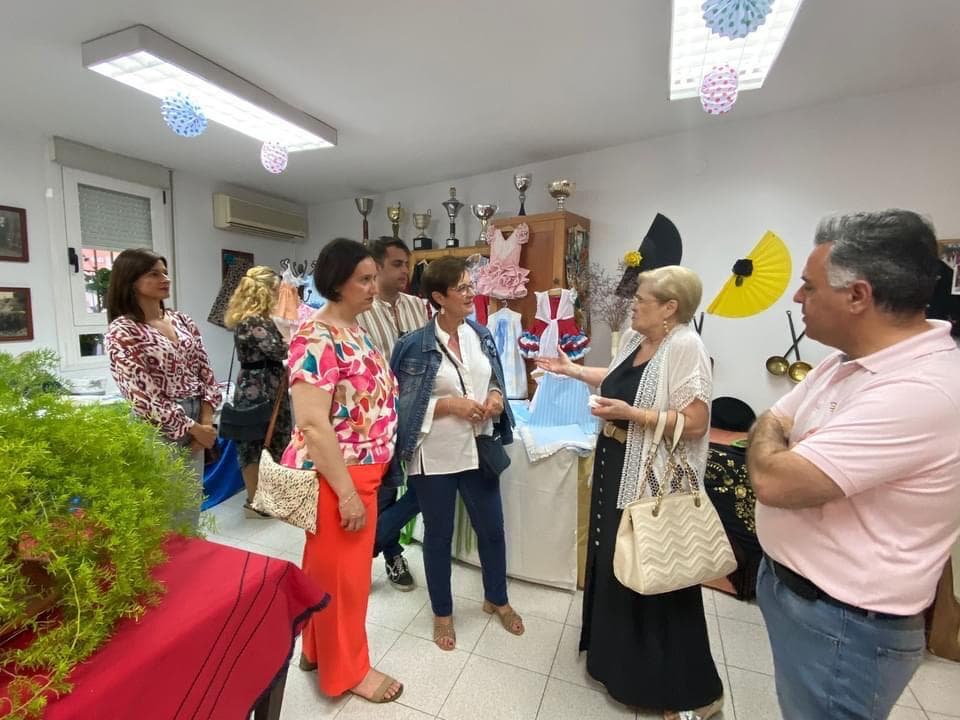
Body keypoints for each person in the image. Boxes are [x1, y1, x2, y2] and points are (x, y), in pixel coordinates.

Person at [747, 209, 960, 720]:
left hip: (847, 625)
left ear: (858, 296)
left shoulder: (920, 390)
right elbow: (769, 419)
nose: (798, 298)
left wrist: (774, 441)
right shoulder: (841, 362)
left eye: (808, 287)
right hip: (798, 594)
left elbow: (771, 480)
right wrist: (774, 435)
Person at [538, 265, 722, 720]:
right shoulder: (641, 342)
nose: (633, 305)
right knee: (613, 557)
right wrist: (572, 370)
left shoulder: (686, 346)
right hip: (615, 462)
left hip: (648, 474)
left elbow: (696, 423)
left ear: (669, 307)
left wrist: (632, 415)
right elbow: (620, 378)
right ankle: (614, 663)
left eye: (641, 299)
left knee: (651, 564)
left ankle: (672, 685)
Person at [280, 238, 403, 704]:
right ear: (336, 283)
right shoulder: (317, 336)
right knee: (345, 583)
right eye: (365, 279)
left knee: (325, 571)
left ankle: (314, 648)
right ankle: (347, 670)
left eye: (375, 278)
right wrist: (347, 493)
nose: (375, 287)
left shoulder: (354, 329)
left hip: (362, 474)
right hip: (340, 479)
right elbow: (312, 423)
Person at [389, 256, 522, 651]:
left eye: (471, 285)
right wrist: (448, 406)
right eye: (462, 288)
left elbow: (494, 377)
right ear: (437, 297)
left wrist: (495, 397)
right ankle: (442, 613)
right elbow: (398, 406)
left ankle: (496, 598)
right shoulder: (412, 346)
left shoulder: (480, 334)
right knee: (438, 535)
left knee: (493, 530)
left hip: (478, 448)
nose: (471, 293)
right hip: (435, 455)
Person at [105, 248, 220, 526]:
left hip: (196, 416)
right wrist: (193, 428)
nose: (164, 278)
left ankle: (189, 560)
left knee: (190, 503)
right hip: (156, 425)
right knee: (165, 507)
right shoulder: (124, 331)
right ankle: (166, 566)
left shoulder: (182, 321)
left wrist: (205, 424)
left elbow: (205, 371)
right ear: (131, 281)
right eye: (153, 274)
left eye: (165, 272)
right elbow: (143, 396)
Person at [357, 237, 428, 591]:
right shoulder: (361, 312)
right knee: (383, 494)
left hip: (422, 416)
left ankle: (367, 546)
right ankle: (391, 555)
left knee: (421, 490)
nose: (405, 271)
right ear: (377, 266)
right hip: (379, 419)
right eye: (397, 264)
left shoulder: (419, 306)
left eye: (407, 264)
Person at [223, 266, 291, 518]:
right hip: (256, 390)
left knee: (275, 443)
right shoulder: (252, 321)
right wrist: (288, 340)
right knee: (254, 445)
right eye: (275, 289)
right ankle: (255, 500)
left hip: (272, 388)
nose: (277, 295)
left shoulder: (262, 320)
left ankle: (269, 497)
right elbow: (278, 351)